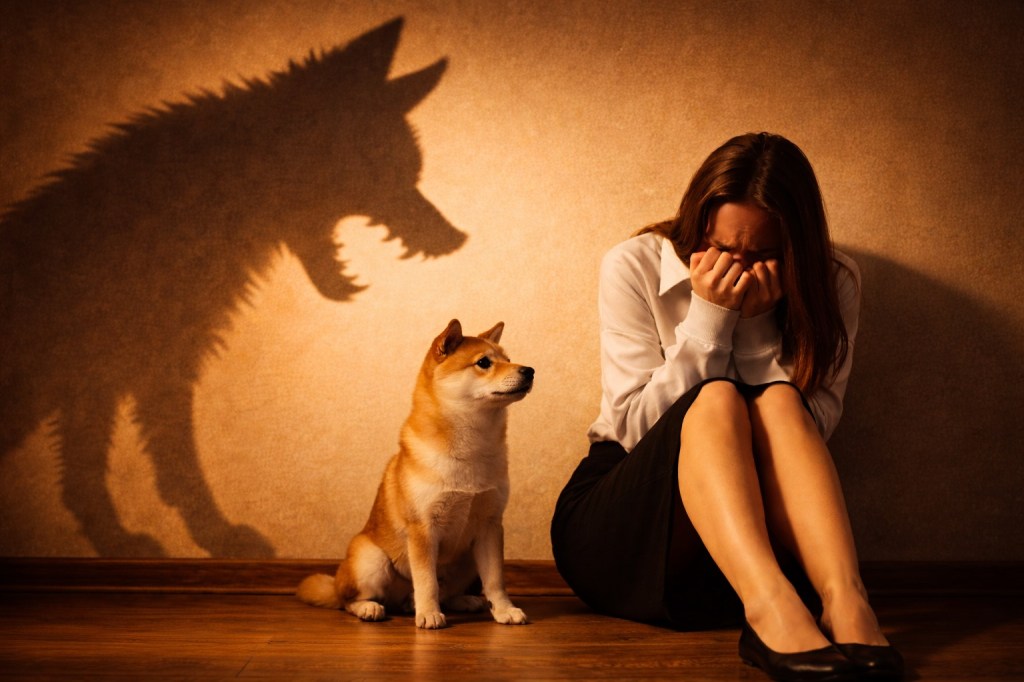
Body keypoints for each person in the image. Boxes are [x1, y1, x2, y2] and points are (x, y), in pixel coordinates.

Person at [550, 132, 904, 681]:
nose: (738, 267)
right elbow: (635, 429)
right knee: (716, 396)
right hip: (627, 528)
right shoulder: (635, 265)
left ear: (795, 248)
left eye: (762, 255)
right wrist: (713, 318)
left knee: (781, 401)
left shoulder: (834, 280)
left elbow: (813, 431)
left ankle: (846, 601)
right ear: (698, 226)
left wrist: (757, 327)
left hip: (760, 537)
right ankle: (770, 611)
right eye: (720, 248)